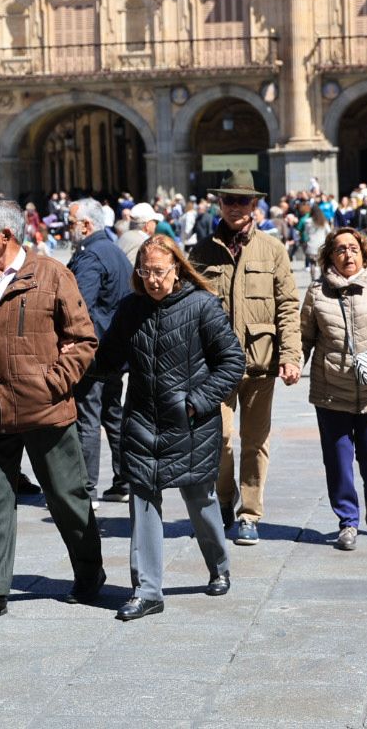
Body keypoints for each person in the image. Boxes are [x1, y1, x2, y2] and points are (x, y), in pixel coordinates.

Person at [0, 200, 102, 622]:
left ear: (5, 235)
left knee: (67, 496)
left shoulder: (52, 275)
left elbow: (83, 339)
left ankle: (90, 573)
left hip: (45, 410)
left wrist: (54, 383)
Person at [88, 235, 244, 620]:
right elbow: (108, 357)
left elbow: (232, 362)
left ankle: (219, 564)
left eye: (159, 271)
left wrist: (197, 402)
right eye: (145, 272)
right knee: (142, 503)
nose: (152, 279)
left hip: (188, 422)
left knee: (200, 501)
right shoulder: (131, 309)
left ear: (177, 269)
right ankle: (147, 590)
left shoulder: (203, 307)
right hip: (141, 421)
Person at [188, 170, 301, 547]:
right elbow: (189, 309)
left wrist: (291, 355)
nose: (236, 207)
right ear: (218, 204)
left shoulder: (272, 250)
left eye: (243, 200)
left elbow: (287, 306)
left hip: (260, 362)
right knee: (218, 439)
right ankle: (223, 499)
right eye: (229, 200)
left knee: (255, 441)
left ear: (255, 205)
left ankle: (250, 513)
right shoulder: (200, 252)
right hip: (213, 366)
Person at [301, 226, 367, 551]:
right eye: (340, 250)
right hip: (330, 390)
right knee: (337, 460)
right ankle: (347, 521)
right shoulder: (317, 292)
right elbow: (304, 336)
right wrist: (293, 363)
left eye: (353, 248)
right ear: (329, 256)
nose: (347, 254)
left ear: (364, 253)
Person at [66, 197, 135, 507]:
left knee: (87, 417)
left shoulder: (91, 256)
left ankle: (86, 489)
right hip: (116, 349)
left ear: (87, 225)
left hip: (93, 352)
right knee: (112, 413)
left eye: (71, 223)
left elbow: (78, 306)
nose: (68, 229)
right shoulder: (115, 250)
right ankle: (124, 481)